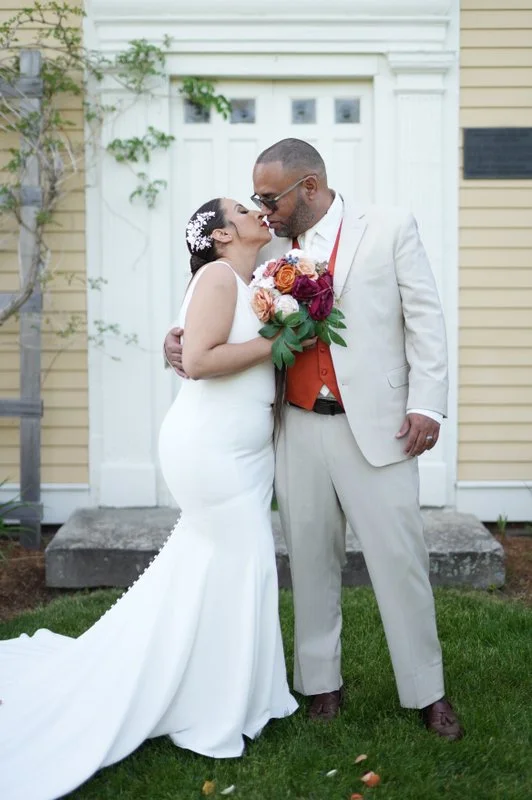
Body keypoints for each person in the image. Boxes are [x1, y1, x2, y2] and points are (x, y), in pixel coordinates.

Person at [165, 138, 463, 741]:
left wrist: (428, 403)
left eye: (269, 197)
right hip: (295, 426)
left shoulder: (389, 228)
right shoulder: (263, 244)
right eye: (254, 200)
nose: (261, 209)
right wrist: (174, 340)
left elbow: (425, 320)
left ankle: (427, 693)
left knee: (400, 563)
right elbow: (212, 304)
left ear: (308, 187)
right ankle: (321, 685)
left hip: (379, 427)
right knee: (309, 560)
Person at [0, 198, 298, 800]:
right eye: (245, 209)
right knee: (242, 562)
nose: (258, 212)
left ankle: (227, 686)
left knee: (220, 567)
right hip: (210, 451)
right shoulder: (217, 276)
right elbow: (199, 359)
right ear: (220, 235)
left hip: (243, 453)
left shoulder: (253, 281)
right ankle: (219, 704)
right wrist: (281, 342)